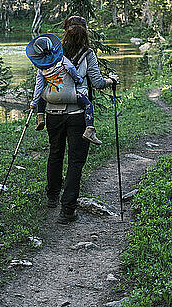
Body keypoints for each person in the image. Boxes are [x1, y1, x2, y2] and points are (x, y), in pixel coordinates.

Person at [31, 16, 119, 224]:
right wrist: (112, 80)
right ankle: (68, 210)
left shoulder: (50, 53)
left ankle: (52, 196)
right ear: (86, 33)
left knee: (55, 153)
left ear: (65, 31)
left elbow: (40, 81)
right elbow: (97, 83)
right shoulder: (88, 54)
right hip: (78, 114)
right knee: (76, 161)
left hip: (53, 112)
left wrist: (37, 105)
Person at [26, 33, 102, 145]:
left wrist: (34, 103)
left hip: (51, 96)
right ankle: (89, 130)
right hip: (70, 94)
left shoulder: (41, 67)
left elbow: (39, 86)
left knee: (42, 92)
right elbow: (71, 68)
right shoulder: (61, 59)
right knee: (88, 105)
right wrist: (78, 79)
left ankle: (40, 116)